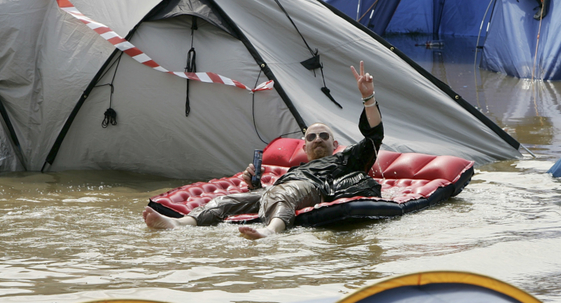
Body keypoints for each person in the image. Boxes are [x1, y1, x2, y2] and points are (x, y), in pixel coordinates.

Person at [142, 61, 383, 239]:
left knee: (285, 194)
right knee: (226, 200)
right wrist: (254, 183)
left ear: (334, 144)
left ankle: (270, 232)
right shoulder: (295, 169)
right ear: (304, 145)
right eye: (312, 136)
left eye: (324, 136)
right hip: (278, 189)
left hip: (313, 189)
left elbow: (374, 135)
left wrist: (368, 97)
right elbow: (270, 193)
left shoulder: (346, 160)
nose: (318, 139)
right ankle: (181, 224)